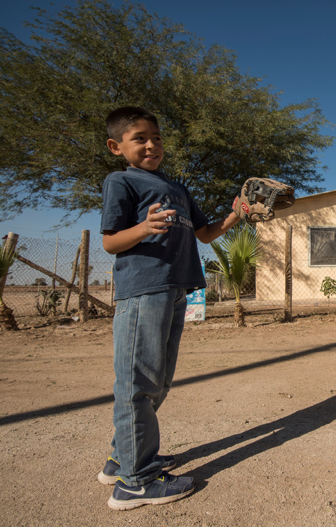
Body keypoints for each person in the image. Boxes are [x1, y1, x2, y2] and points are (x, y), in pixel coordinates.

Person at [98, 107, 241, 509]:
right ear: (116, 146)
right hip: (144, 290)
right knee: (137, 384)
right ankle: (136, 482)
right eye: (140, 137)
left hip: (176, 290)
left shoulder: (176, 187)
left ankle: (121, 458)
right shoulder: (121, 181)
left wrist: (238, 213)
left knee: (157, 383)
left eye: (156, 137)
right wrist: (144, 228)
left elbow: (207, 234)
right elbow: (110, 242)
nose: (151, 144)